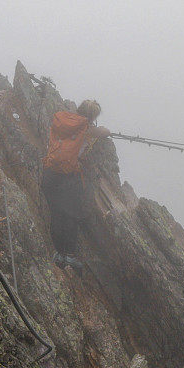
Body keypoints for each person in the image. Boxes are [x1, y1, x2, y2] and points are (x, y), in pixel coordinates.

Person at [41, 100, 110, 274]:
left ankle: (58, 254)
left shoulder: (62, 119)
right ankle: (69, 256)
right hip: (68, 178)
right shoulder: (85, 127)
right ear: (92, 115)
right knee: (70, 216)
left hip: (49, 174)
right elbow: (104, 132)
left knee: (56, 214)